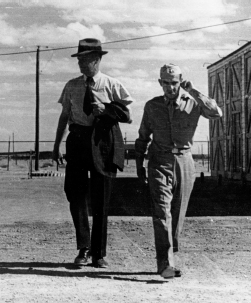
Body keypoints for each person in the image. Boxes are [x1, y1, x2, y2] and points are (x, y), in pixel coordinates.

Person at [52, 38, 134, 268]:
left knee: (101, 199)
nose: (81, 64)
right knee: (75, 195)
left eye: (86, 59)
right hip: (77, 141)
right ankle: (83, 248)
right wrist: (57, 144)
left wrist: (106, 110)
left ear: (97, 60)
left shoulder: (111, 84)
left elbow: (128, 116)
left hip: (103, 141)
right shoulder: (72, 85)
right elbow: (64, 116)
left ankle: (99, 253)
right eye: (79, 59)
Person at [135, 64, 222, 278]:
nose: (170, 87)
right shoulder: (152, 106)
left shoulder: (193, 103)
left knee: (178, 211)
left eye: (174, 83)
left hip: (184, 161)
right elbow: (143, 135)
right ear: (160, 83)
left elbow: (216, 112)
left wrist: (193, 90)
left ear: (181, 81)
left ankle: (171, 253)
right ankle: (166, 264)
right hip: (159, 160)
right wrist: (139, 163)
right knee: (162, 211)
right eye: (166, 83)